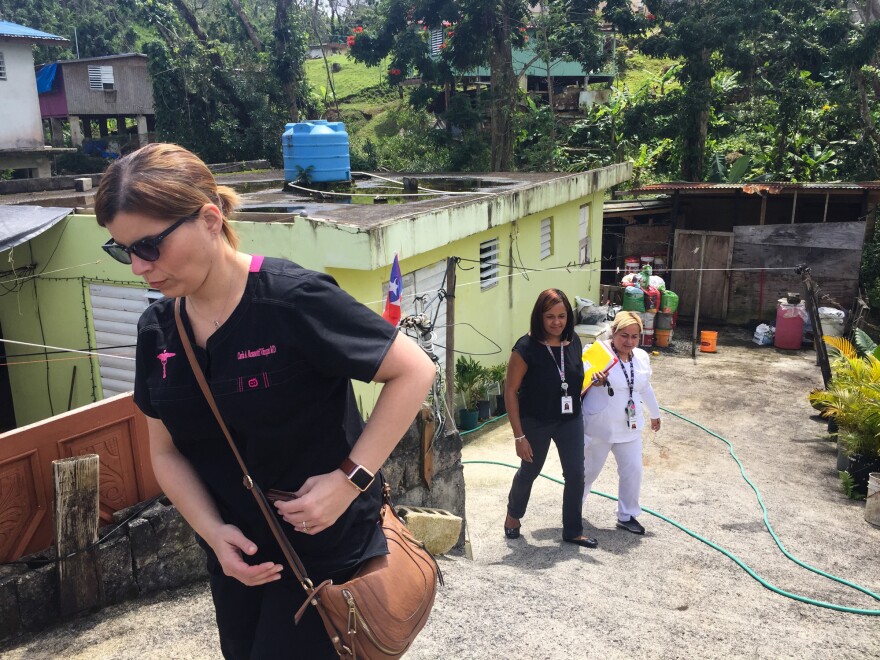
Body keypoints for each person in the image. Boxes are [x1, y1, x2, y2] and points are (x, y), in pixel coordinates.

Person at [94, 143, 436, 659]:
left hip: (328, 555)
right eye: (123, 251)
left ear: (210, 220)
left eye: (149, 246)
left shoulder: (291, 299)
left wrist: (348, 481)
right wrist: (214, 534)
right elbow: (165, 452)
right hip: (240, 564)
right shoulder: (157, 331)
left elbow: (414, 370)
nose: (139, 267)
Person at [503, 289, 597, 548]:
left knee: (576, 474)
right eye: (550, 317)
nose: (557, 322)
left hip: (570, 419)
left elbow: (573, 378)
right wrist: (519, 436)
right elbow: (510, 391)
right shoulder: (525, 348)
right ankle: (513, 516)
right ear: (539, 317)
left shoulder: (573, 341)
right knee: (530, 470)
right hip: (536, 420)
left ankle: (573, 531)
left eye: (562, 316)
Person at [583, 311, 661, 535]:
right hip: (600, 426)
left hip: (629, 426)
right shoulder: (597, 352)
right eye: (624, 335)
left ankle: (627, 515)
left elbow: (645, 387)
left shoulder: (641, 357)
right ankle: (573, 510)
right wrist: (594, 381)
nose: (629, 341)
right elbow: (581, 378)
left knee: (633, 471)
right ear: (613, 332)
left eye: (634, 336)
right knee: (588, 472)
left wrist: (654, 413)